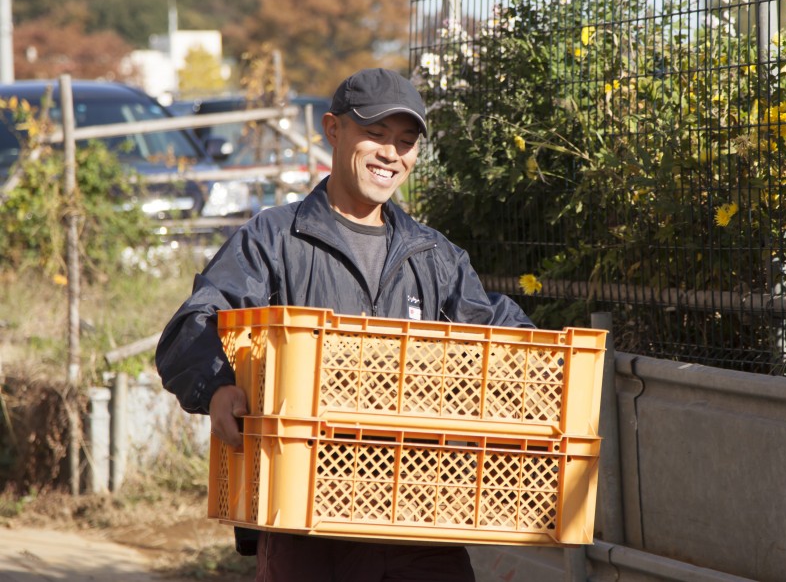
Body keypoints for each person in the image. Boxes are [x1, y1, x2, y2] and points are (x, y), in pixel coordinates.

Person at [155, 68, 534, 581]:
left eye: (405, 143)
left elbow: (498, 330)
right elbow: (193, 326)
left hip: (419, 516)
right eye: (375, 135)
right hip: (305, 523)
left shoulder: (435, 255)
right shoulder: (274, 239)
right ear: (333, 130)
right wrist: (219, 385)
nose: (391, 155)